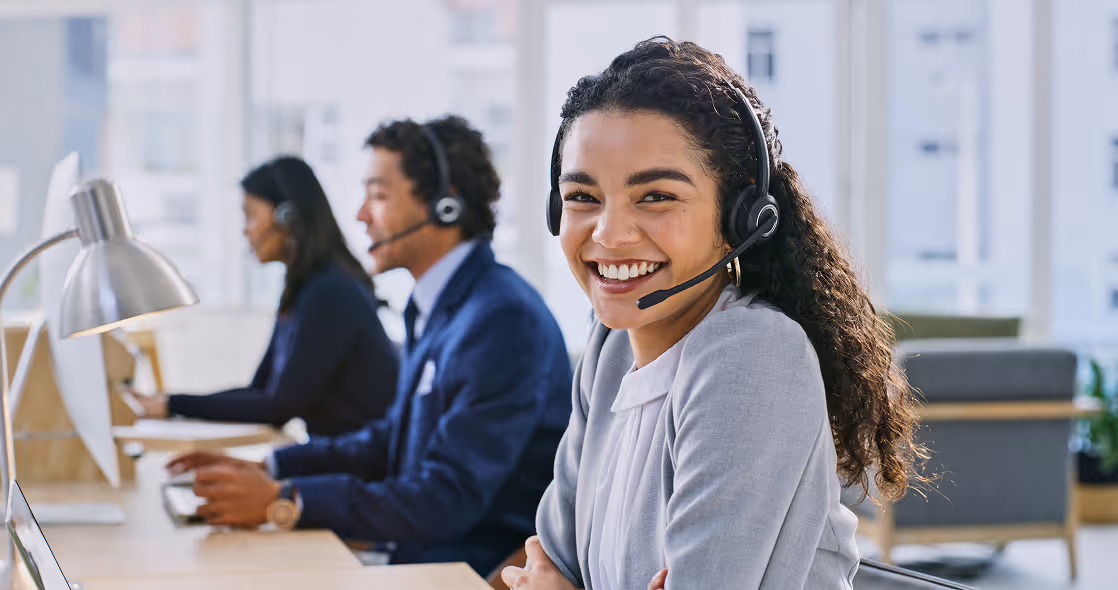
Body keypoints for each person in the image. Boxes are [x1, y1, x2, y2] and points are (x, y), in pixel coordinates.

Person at [503, 38, 924, 589]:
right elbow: (548, 559)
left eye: (655, 196)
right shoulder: (610, 349)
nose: (607, 234)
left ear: (742, 217)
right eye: (583, 196)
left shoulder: (752, 355)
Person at [166, 116, 572, 576]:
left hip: (458, 571)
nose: (360, 215)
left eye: (378, 196)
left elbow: (446, 498)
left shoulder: (501, 319)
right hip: (414, 555)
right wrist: (272, 467)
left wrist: (287, 501)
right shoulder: (436, 305)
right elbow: (389, 441)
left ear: (445, 206)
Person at [130, 157, 398, 437]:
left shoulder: (329, 292)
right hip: (332, 461)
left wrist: (173, 405)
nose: (246, 230)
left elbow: (278, 407)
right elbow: (260, 390)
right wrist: (168, 401)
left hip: (355, 468)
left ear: (287, 217)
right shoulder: (302, 289)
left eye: (250, 215)